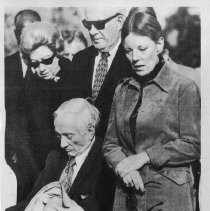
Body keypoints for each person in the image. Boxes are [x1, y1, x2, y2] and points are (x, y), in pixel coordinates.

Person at [103, 8, 200, 211]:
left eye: (142, 48)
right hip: (128, 192)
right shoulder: (122, 90)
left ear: (159, 44)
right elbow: (110, 144)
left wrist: (143, 157)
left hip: (169, 195)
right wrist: (125, 169)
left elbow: (193, 145)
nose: (135, 58)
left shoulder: (182, 86)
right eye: (128, 51)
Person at [70, 8, 132, 211]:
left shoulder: (134, 61)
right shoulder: (80, 60)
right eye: (88, 25)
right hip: (81, 172)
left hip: (117, 174)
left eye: (100, 24)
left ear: (120, 20)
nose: (93, 31)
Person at [7, 98, 103, 211]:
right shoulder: (55, 157)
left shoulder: (105, 161)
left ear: (90, 130)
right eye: (59, 136)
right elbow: (31, 201)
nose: (63, 144)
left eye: (69, 136)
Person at [18, 21, 72, 171]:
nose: (41, 69)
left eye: (47, 61)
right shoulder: (30, 84)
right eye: (35, 64)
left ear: (58, 52)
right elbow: (24, 134)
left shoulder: (74, 73)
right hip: (40, 164)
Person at [5, 9, 41, 202]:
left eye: (35, 30)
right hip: (13, 158)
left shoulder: (52, 64)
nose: (29, 36)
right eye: (24, 31)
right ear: (16, 33)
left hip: (45, 157)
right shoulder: (5, 68)